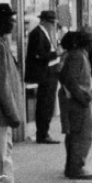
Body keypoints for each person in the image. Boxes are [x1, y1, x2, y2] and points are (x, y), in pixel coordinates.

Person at [0, 3, 26, 183]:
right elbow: (0, 83)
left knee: (6, 150)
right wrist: (12, 112)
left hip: (2, 111)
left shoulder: (0, 41)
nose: (13, 23)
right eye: (9, 19)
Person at [57, 31, 92, 180]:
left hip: (76, 99)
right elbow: (70, 79)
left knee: (76, 134)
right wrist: (81, 97)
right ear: (85, 43)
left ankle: (72, 166)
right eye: (91, 41)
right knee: (81, 135)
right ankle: (75, 168)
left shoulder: (78, 55)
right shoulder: (77, 56)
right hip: (77, 101)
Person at [25, 9, 61, 143]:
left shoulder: (46, 32)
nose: (53, 25)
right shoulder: (38, 33)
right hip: (44, 74)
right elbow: (39, 55)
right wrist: (56, 53)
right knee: (45, 104)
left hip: (50, 72)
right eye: (51, 22)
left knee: (48, 103)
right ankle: (42, 133)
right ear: (45, 21)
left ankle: (44, 132)